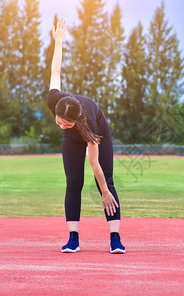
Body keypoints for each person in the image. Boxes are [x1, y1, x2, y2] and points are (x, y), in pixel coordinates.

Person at [47, 18, 125, 254]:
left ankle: (115, 238)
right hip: (74, 139)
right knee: (73, 182)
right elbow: (56, 70)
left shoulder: (87, 126)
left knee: (107, 181)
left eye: (66, 124)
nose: (61, 125)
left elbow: (94, 163)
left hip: (98, 132)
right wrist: (58, 42)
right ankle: (73, 239)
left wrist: (103, 192)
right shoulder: (55, 100)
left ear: (76, 121)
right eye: (59, 121)